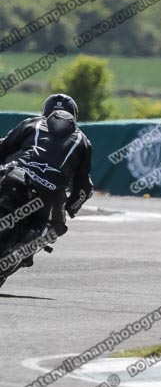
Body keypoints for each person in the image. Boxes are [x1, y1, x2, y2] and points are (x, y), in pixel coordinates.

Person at [0, 94, 93, 264]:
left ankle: (25, 244)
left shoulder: (32, 123)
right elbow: (84, 187)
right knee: (57, 227)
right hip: (51, 194)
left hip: (17, 176)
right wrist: (71, 208)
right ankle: (27, 246)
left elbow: (3, 147)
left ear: (46, 111)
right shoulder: (83, 142)